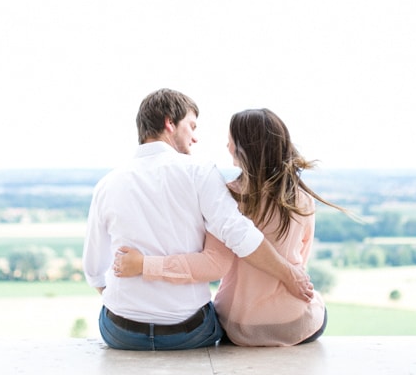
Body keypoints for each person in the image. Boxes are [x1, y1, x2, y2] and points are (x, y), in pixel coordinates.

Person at [82, 89, 313, 351]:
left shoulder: (106, 185)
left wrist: (127, 307)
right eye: (191, 126)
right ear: (170, 123)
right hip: (188, 331)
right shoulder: (200, 172)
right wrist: (289, 275)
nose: (195, 136)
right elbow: (235, 242)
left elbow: (93, 271)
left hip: (120, 332)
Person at [114, 108, 348, 346]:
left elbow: (217, 263)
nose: (227, 147)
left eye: (230, 141)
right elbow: (301, 260)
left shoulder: (227, 197)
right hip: (294, 322)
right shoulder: (301, 199)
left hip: (238, 326)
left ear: (243, 149)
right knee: (317, 306)